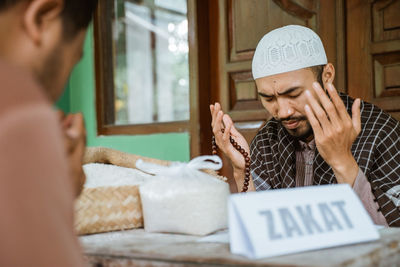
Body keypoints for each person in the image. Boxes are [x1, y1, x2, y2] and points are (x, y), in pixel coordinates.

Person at [210, 25, 400, 227]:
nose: (283, 112)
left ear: (327, 75)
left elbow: (392, 237)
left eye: (293, 94)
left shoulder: (380, 132)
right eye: (269, 98)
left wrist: (342, 161)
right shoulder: (268, 139)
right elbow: (260, 230)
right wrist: (242, 170)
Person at [0, 0, 97, 266]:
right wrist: (57, 193)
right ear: (40, 17)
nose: (56, 93)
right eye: (73, 58)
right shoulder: (20, 112)